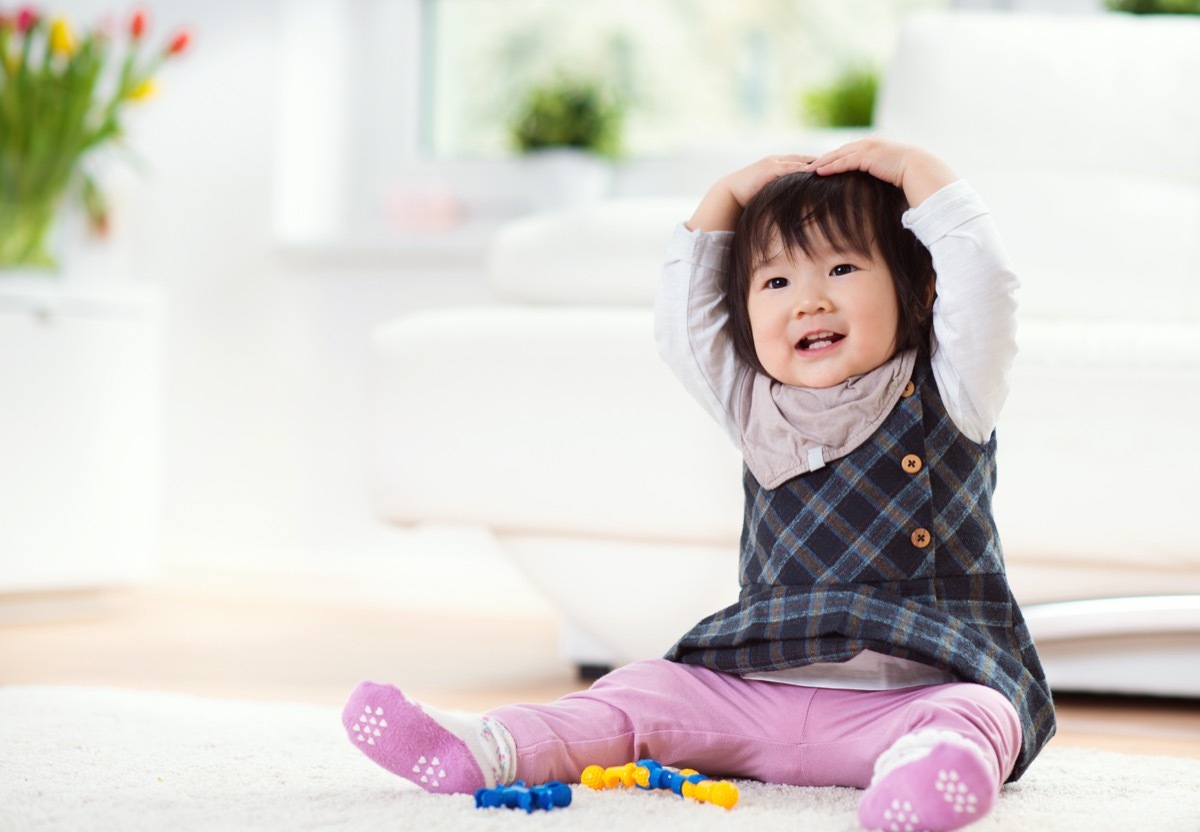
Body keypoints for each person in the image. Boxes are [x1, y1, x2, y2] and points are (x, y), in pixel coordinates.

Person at [341, 138, 1056, 832]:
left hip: (912, 695)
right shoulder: (752, 404)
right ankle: (483, 747)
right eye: (776, 282)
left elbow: (985, 287)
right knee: (640, 691)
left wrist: (921, 172)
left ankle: (928, 774)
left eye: (840, 269)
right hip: (752, 694)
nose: (807, 302)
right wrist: (722, 202)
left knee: (981, 714)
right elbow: (686, 328)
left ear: (921, 288)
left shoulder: (952, 388)